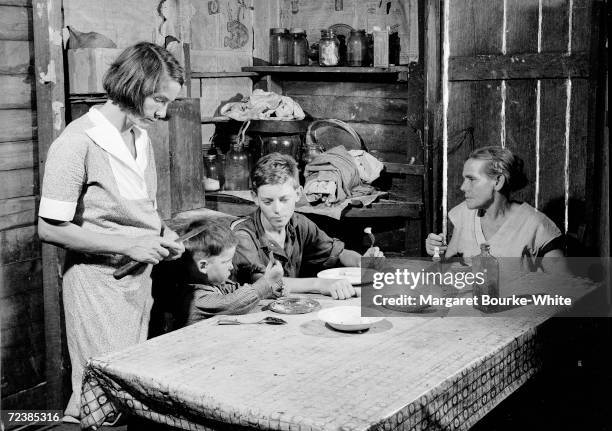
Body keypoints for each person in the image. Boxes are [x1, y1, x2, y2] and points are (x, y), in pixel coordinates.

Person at [37, 42, 186, 420]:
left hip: (138, 285)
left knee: (126, 393)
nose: (163, 112)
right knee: (99, 400)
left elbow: (141, 211)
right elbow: (49, 229)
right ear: (134, 86)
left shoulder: (140, 137)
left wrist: (163, 234)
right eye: (158, 100)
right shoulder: (76, 143)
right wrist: (129, 245)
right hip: (96, 286)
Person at [232, 153, 384, 300]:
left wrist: (361, 262)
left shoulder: (299, 224)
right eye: (267, 201)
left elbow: (339, 252)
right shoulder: (243, 236)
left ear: (298, 194)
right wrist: (319, 284)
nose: (277, 209)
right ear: (254, 198)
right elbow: (265, 283)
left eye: (284, 199)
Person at [425, 146, 564, 273]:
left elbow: (565, 284)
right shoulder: (464, 213)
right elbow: (446, 270)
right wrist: (437, 251)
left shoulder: (535, 224)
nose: (463, 187)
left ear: (498, 182)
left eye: (471, 179)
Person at [178, 219, 284, 325]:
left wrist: (273, 288)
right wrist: (267, 281)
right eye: (227, 261)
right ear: (203, 266)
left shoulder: (214, 284)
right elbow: (233, 303)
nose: (231, 266)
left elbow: (236, 290)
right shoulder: (196, 298)